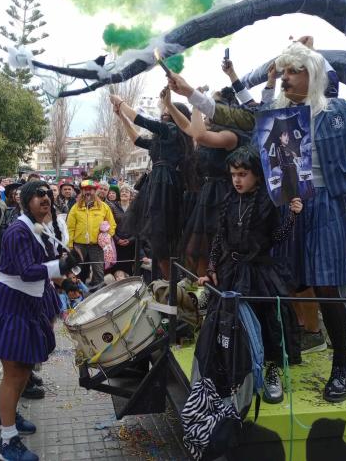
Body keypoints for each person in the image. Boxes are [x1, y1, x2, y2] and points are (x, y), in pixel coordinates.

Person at [170, 41, 346, 402]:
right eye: (285, 71)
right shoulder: (276, 112)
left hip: (326, 209)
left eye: (295, 71)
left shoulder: (338, 112)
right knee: (275, 290)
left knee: (326, 289)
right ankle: (274, 363)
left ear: (315, 75)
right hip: (284, 207)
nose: (286, 77)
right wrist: (190, 94)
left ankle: (341, 365)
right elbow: (229, 115)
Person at [0, 180, 82, 461]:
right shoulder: (17, 231)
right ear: (26, 201)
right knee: (15, 372)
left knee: (24, 368)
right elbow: (27, 271)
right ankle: (7, 442)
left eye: (48, 194)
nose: (45, 198)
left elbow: (45, 270)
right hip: (12, 306)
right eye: (38, 194)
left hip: (31, 304)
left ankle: (6, 416)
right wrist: (63, 265)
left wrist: (65, 282)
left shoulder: (42, 228)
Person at [198, 145, 303, 404]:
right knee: (228, 322)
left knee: (269, 322)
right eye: (234, 174)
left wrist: (292, 217)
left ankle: (271, 371)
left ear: (256, 174)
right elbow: (219, 238)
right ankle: (232, 370)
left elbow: (275, 238)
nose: (237, 180)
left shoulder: (268, 200)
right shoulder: (228, 200)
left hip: (260, 272)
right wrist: (211, 268)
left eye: (243, 174)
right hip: (231, 272)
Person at [161, 88, 249, 276]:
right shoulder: (212, 131)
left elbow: (199, 135)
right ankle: (204, 288)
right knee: (195, 250)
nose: (206, 106)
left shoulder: (231, 135)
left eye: (210, 104)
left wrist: (195, 102)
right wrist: (169, 105)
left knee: (215, 250)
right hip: (207, 194)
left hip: (224, 196)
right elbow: (187, 127)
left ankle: (216, 287)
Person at [110, 91, 196, 279]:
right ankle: (167, 280)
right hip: (157, 184)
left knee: (160, 235)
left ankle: (171, 281)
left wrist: (121, 103)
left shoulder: (172, 130)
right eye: (164, 111)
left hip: (164, 185)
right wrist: (122, 116)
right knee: (156, 236)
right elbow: (137, 140)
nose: (164, 113)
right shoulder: (163, 137)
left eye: (168, 111)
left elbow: (142, 121)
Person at [66, 180, 116, 287]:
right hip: (79, 246)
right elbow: (70, 228)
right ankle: (78, 294)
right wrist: (70, 245)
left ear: (95, 191)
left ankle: (99, 294)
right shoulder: (75, 207)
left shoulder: (104, 207)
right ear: (82, 191)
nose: (88, 192)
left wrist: (107, 236)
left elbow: (112, 225)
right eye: (85, 190)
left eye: (91, 190)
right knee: (78, 272)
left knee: (98, 273)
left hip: (97, 246)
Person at [109, 184, 135, 276]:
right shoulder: (113, 207)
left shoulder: (135, 208)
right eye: (122, 191)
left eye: (126, 192)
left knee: (128, 268)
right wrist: (117, 239)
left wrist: (130, 240)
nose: (124, 193)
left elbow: (138, 226)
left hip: (130, 243)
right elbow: (110, 224)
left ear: (130, 195)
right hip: (117, 243)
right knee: (117, 267)